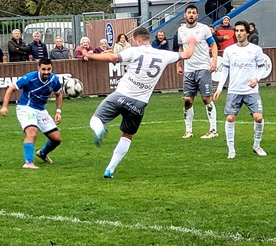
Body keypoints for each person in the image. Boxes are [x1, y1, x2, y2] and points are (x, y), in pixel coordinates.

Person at [84, 28, 196, 179]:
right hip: (139, 104)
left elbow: (111, 57)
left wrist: (89, 55)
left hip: (120, 95)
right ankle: (109, 170)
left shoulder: (134, 51)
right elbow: (187, 54)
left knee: (95, 119)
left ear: (137, 39)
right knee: (127, 136)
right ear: (148, 38)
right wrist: (192, 42)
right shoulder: (163, 54)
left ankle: (99, 129)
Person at [213, 21, 268, 159]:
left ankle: (257, 146)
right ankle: (231, 149)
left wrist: (256, 79)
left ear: (247, 33)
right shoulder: (229, 50)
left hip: (251, 91)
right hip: (234, 90)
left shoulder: (256, 50)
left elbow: (262, 68)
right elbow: (225, 70)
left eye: (242, 31)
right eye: (236, 31)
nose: (239, 33)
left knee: (258, 117)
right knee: (230, 118)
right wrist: (219, 88)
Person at [0, 58, 64, 169]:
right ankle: (28, 163)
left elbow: (59, 94)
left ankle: (42, 153)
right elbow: (10, 89)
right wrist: (4, 106)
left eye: (48, 69)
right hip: (26, 108)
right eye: (43, 69)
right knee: (32, 132)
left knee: (56, 139)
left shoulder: (54, 79)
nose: (46, 72)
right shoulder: (29, 78)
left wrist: (58, 111)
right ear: (39, 68)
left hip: (41, 110)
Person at [177, 4, 220, 140]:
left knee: (206, 98)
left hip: (203, 67)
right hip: (188, 69)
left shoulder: (204, 29)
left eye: (193, 13)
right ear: (185, 15)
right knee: (187, 100)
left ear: (197, 15)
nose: (191, 15)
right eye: (189, 12)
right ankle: (188, 131)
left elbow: (213, 45)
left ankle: (213, 130)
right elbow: (180, 48)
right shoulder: (181, 30)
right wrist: (178, 64)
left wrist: (214, 61)